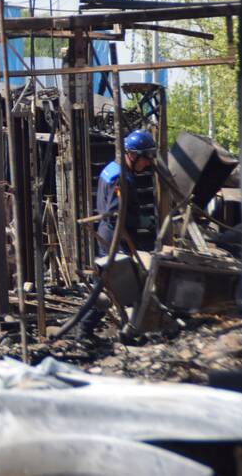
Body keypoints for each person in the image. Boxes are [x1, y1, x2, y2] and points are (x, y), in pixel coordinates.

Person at [78, 129, 157, 340]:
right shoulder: (120, 177)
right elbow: (115, 215)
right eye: (146, 157)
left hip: (111, 235)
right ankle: (86, 330)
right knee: (118, 287)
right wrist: (139, 221)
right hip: (114, 238)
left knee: (112, 286)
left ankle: (118, 329)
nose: (148, 163)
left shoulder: (113, 169)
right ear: (132, 154)